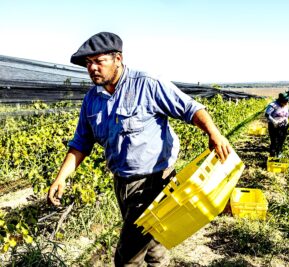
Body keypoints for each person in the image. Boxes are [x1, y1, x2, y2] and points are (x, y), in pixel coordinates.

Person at [47, 32, 232, 267]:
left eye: (98, 61)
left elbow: (190, 108)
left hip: (155, 182)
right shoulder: (92, 99)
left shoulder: (147, 84)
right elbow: (81, 143)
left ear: (118, 59)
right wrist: (61, 178)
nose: (92, 68)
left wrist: (214, 134)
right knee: (154, 246)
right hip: (122, 182)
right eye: (88, 63)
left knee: (127, 257)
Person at [265, 92, 289, 158]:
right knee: (274, 141)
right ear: (280, 100)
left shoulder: (287, 105)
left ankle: (279, 154)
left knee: (281, 141)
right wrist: (274, 121)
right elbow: (267, 114)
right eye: (284, 102)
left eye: (287, 102)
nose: (286, 103)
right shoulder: (273, 105)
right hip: (274, 126)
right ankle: (272, 156)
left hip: (283, 126)